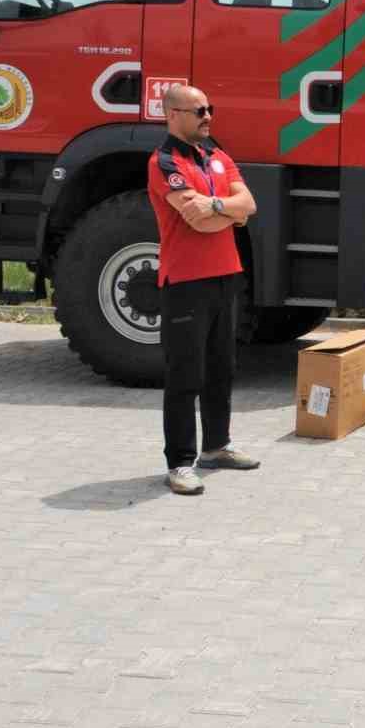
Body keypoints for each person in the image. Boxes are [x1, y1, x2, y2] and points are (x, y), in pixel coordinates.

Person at [146, 84, 260, 495]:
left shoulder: (218, 157)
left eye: (209, 108)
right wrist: (227, 212)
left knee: (221, 368)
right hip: (185, 280)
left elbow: (248, 205)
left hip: (225, 274)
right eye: (198, 111)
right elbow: (196, 220)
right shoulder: (163, 162)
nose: (208, 116)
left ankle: (216, 446)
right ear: (172, 114)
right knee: (185, 374)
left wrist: (216, 208)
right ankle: (179, 463)